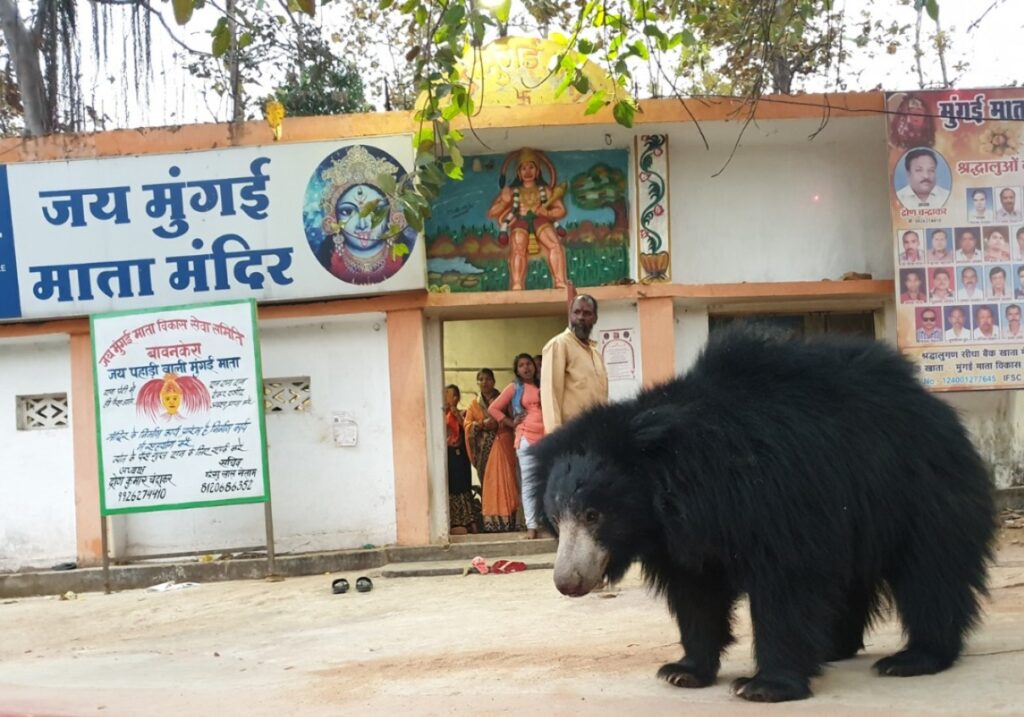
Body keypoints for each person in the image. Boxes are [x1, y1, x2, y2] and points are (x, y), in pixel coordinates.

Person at [487, 148, 568, 291]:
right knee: (518, 248)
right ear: (518, 172)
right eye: (523, 168)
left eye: (531, 167)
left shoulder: (546, 190)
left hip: (541, 221)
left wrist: (547, 213)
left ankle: (560, 281)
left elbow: (561, 210)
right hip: (520, 221)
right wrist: (505, 201)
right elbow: (493, 212)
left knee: (555, 245)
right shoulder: (513, 191)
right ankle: (517, 283)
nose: (527, 172)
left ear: (537, 171)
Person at [489, 354, 545, 539]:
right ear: (517, 370)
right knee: (529, 483)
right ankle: (531, 527)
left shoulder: (543, 385)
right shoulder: (515, 388)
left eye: (529, 364)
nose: (526, 368)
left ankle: (548, 523)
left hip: (547, 438)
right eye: (521, 365)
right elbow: (493, 409)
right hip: (526, 438)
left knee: (547, 481)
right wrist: (511, 422)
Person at [541, 294, 609, 433]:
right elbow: (550, 396)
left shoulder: (595, 353)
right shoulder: (559, 345)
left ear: (595, 318)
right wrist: (556, 441)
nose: (581, 317)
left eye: (587, 313)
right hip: (571, 436)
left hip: (596, 433)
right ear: (570, 315)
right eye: (576, 312)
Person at [464, 369, 520, 533]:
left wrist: (500, 424)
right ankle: (492, 523)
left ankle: (512, 520)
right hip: (485, 451)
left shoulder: (504, 399)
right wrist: (481, 425)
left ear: (494, 381)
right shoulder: (474, 404)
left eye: (488, 379)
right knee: (491, 483)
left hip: (505, 443)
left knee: (509, 480)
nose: (484, 382)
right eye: (481, 379)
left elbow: (514, 418)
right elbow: (467, 426)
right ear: (477, 383)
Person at [444, 384, 477, 535]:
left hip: (460, 455)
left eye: (448, 394)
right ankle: (455, 521)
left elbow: (467, 430)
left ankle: (469, 521)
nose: (445, 397)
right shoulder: (441, 415)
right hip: (448, 455)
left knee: (463, 486)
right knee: (450, 487)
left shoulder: (463, 414)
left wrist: (455, 413)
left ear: (455, 398)